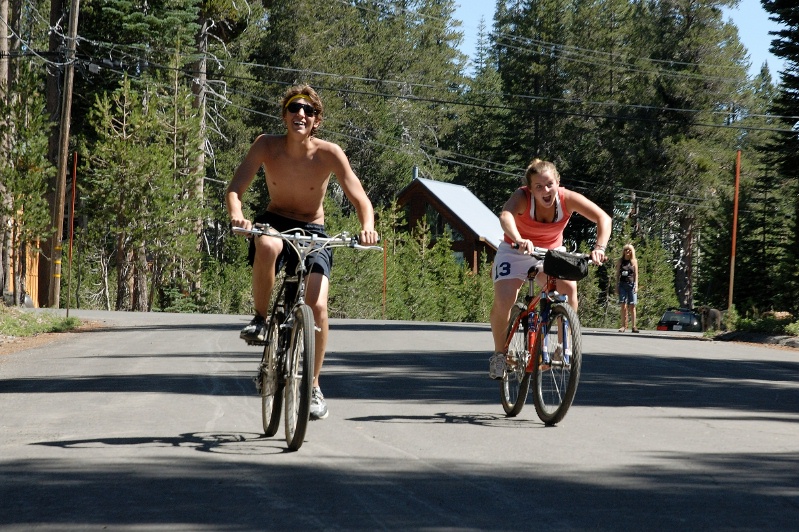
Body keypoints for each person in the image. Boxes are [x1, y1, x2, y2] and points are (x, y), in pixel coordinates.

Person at [226, 85, 379, 420]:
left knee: (318, 305)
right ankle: (261, 320)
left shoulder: (329, 153)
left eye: (309, 111)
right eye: (295, 108)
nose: (301, 115)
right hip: (274, 221)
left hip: (313, 230)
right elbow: (236, 188)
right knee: (267, 243)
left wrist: (367, 225)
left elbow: (360, 198)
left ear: (316, 121)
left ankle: (312, 385)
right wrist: (237, 214)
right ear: (284, 115)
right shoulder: (266, 145)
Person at [489, 158, 612, 380]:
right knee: (505, 298)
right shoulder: (522, 197)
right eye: (538, 187)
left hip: (549, 253)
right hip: (515, 250)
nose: (545, 191)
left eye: (549, 185)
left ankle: (562, 347)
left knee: (569, 290)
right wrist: (518, 238)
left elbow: (603, 218)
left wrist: (599, 248)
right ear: (530, 189)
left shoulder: (567, 199)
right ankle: (500, 355)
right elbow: (506, 216)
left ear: (558, 182)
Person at [616, 244, 639, 333]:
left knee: (632, 306)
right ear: (624, 251)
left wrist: (636, 285)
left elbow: (636, 274)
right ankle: (623, 326)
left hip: (631, 285)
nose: (627, 252)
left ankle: (634, 326)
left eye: (629, 250)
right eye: (626, 250)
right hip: (622, 285)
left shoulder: (634, 261)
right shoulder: (621, 261)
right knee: (623, 305)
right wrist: (616, 286)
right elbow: (617, 274)